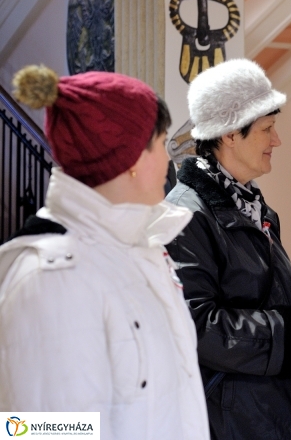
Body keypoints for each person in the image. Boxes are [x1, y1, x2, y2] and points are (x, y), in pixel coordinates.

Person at [0, 65, 209, 439]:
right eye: (161, 143)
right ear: (130, 159)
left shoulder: (139, 251)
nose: (169, 160)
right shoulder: (52, 280)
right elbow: (47, 431)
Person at [165, 59, 291, 440]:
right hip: (232, 416)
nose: (277, 140)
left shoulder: (251, 204)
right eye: (267, 128)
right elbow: (196, 325)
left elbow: (256, 293)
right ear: (229, 134)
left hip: (270, 403)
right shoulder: (186, 214)